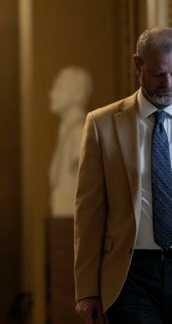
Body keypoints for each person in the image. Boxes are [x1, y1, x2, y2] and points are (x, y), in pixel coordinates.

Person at [74, 26, 172, 324]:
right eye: (158, 74)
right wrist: (86, 290)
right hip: (131, 275)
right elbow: (89, 213)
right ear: (138, 65)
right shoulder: (103, 124)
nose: (168, 83)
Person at [48, 66, 92, 216]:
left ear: (77, 95)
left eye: (59, 88)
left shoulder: (80, 132)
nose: (52, 94)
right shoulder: (68, 131)